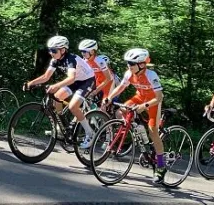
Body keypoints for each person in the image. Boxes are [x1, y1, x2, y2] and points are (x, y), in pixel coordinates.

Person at [102, 48, 167, 184]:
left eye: (131, 63)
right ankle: (132, 131)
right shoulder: (129, 73)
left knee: (153, 131)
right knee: (121, 111)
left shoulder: (151, 75)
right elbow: (120, 87)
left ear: (142, 64)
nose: (128, 66)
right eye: (128, 63)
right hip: (139, 98)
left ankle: (161, 166)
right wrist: (109, 97)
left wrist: (144, 106)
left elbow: (159, 97)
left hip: (153, 102)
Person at [24, 36, 96, 149]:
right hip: (75, 81)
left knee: (73, 106)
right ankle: (63, 127)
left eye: (54, 50)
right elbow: (46, 76)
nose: (51, 53)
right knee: (56, 98)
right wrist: (30, 83)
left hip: (87, 81)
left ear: (63, 50)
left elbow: (71, 78)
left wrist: (56, 86)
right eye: (50, 50)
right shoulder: (55, 60)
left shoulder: (71, 59)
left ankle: (90, 133)